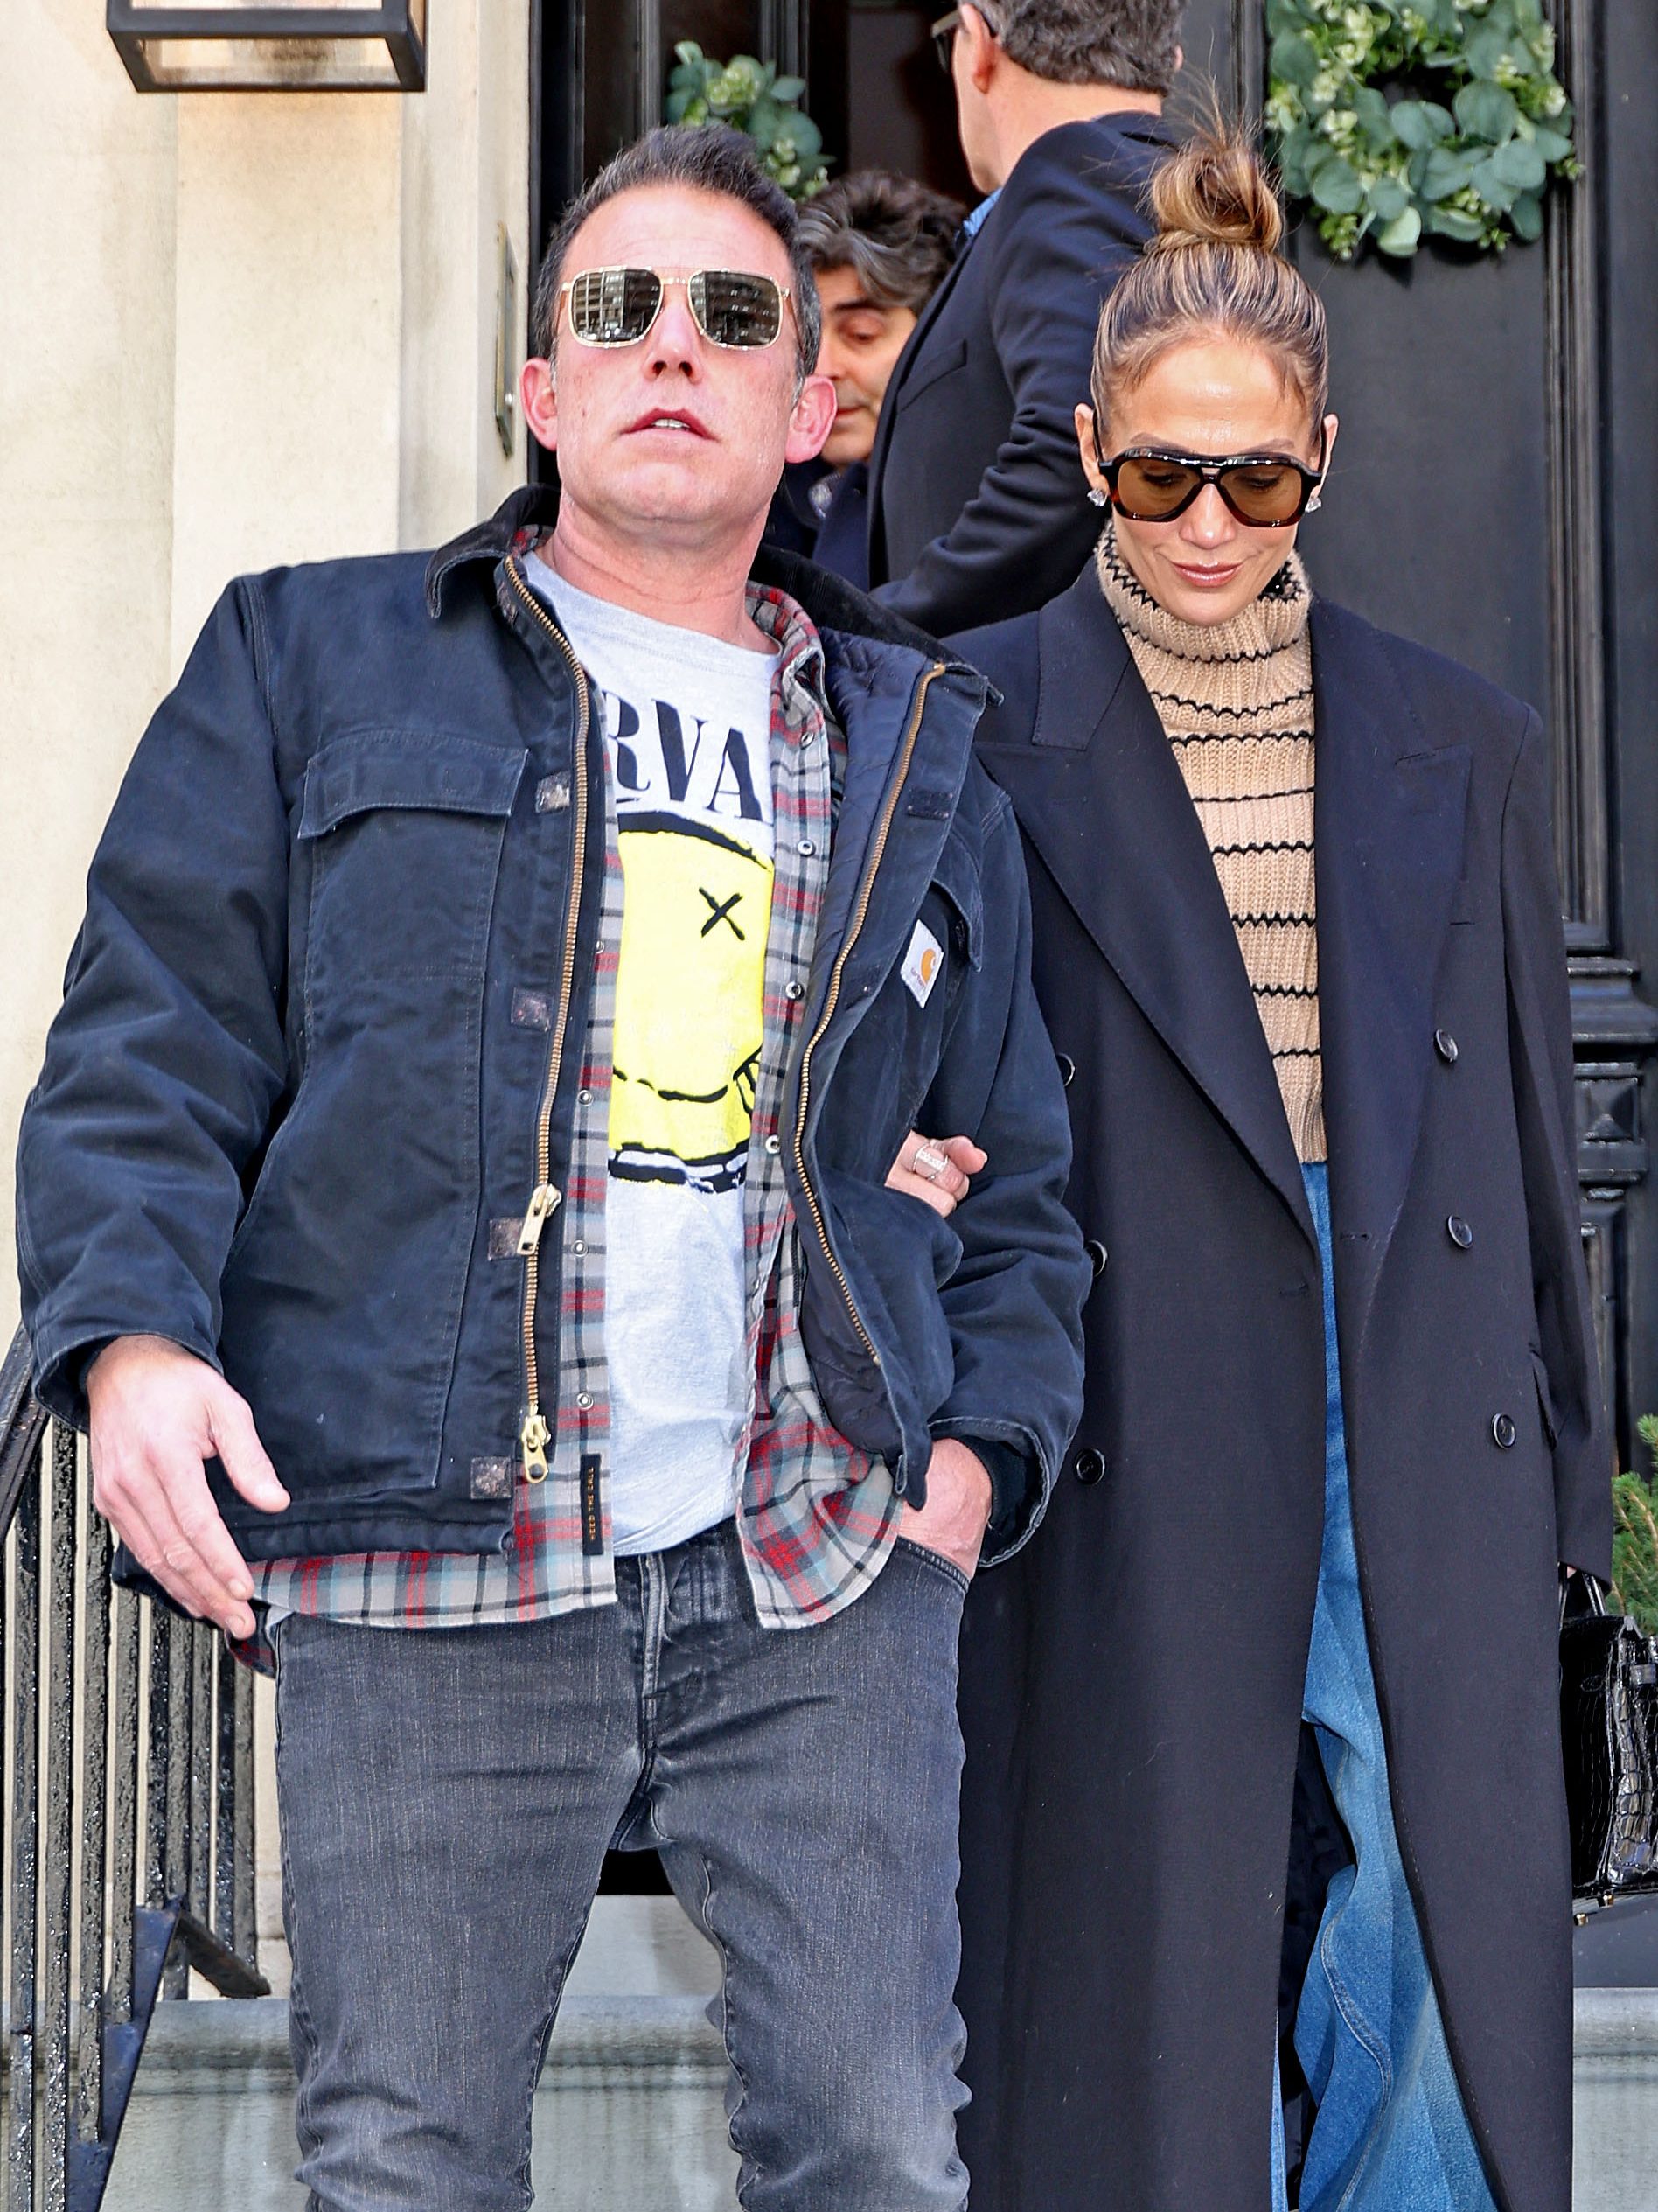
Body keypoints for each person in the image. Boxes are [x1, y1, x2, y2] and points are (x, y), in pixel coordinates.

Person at [15, 123, 1090, 2212]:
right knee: (408, 2160)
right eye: (612, 308)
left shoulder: (910, 744)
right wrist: (129, 1341)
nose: (665, 347)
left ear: (807, 404)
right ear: (539, 391)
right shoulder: (307, 662)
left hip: (815, 1545)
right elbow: (152, 1039)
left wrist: (967, 1467)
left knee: (875, 2144)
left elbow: (1021, 1181)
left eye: (729, 316)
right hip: (432, 1551)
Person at [944, 120, 1609, 2212]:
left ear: (1317, 445)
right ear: (1084, 450)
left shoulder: (1457, 739)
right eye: (1160, 473)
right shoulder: (974, 727)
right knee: (1161, 1910)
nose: (1207, 520)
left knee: (1418, 1878)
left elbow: (1513, 1123)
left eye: (1254, 473)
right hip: (1135, 1352)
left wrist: (1567, 1489)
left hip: (1398, 1361)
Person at [866, 0, 1182, 635]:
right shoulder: (1154, 180)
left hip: (1001, 702)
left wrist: (887, 630)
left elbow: (1077, 454)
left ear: (978, 41)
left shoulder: (1073, 179)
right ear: (1169, 61)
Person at [765, 168, 964, 588]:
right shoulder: (758, 508)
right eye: (806, 335)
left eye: (861, 335)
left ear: (937, 336)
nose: (820, 368)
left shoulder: (978, 522)